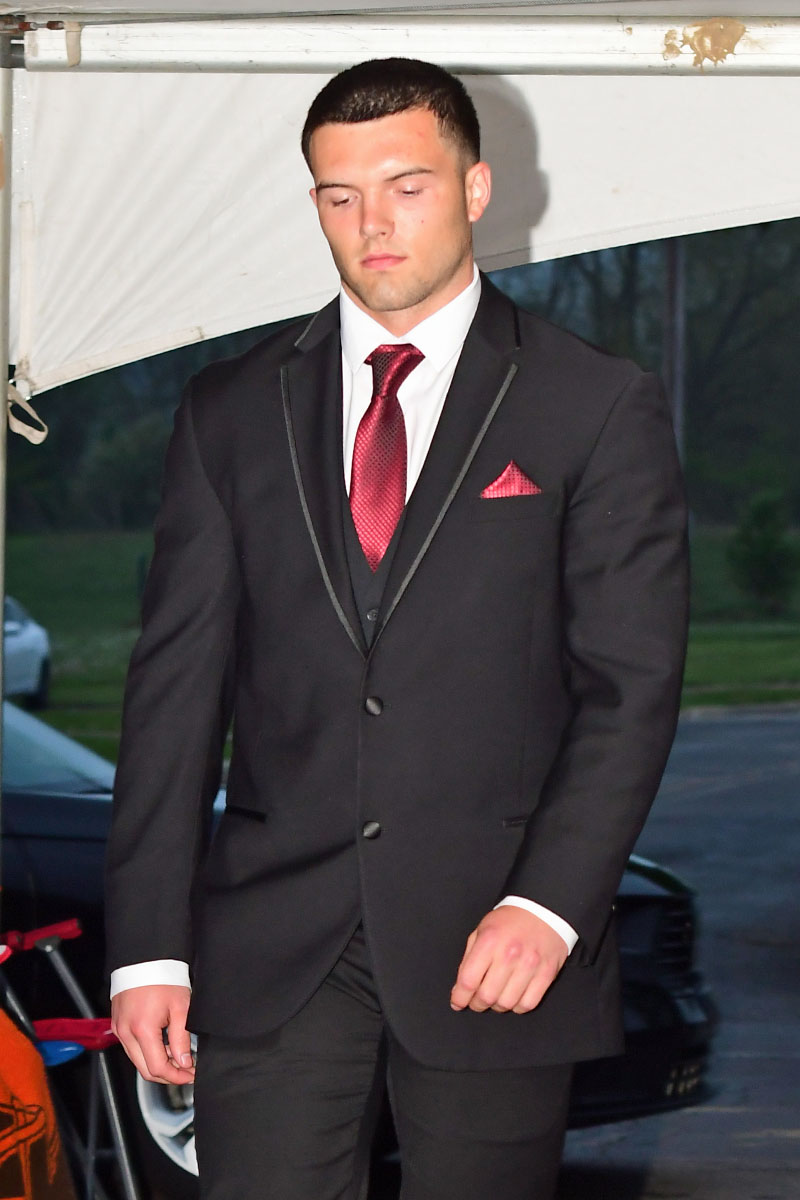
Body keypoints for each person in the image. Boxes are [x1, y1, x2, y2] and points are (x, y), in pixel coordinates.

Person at [106, 57, 688, 1200]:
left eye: (406, 187)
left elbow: (627, 688)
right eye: (341, 195)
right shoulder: (229, 410)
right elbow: (172, 693)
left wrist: (547, 904)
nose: (372, 224)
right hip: (274, 943)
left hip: (498, 937)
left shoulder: (590, 402)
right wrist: (148, 948)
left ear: (474, 188)